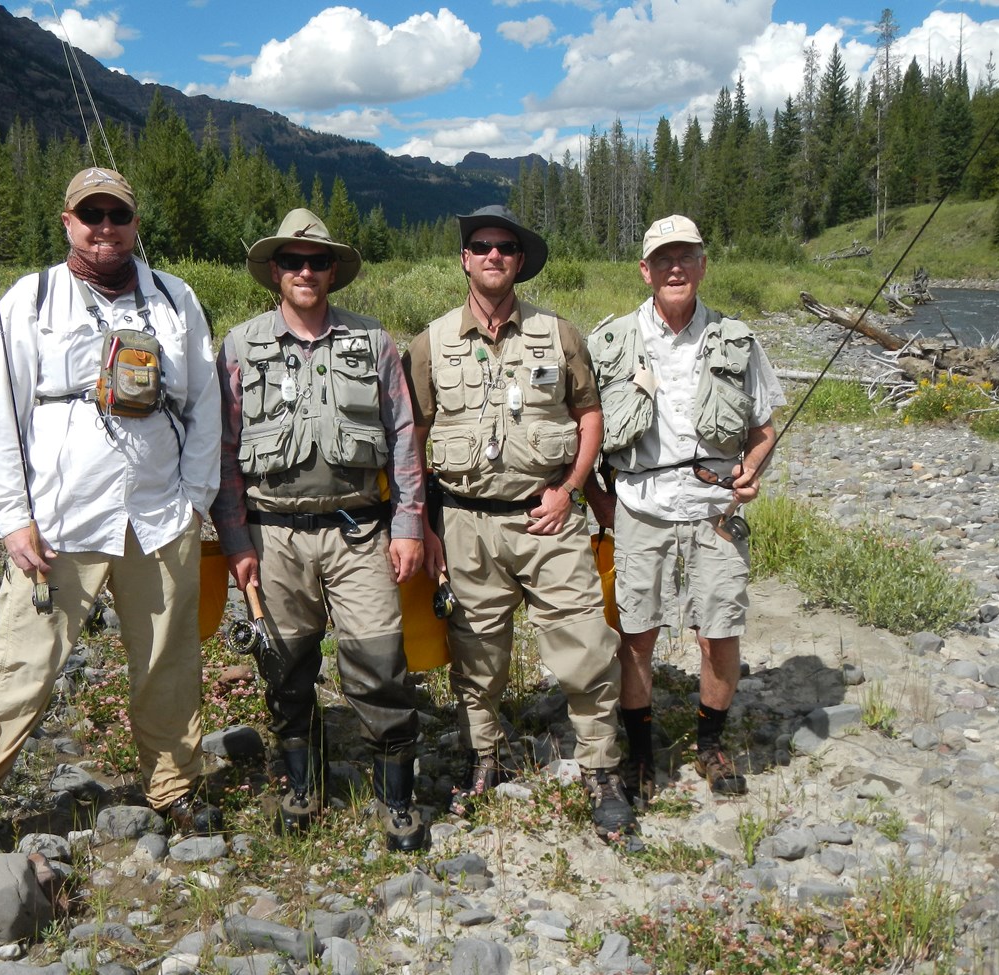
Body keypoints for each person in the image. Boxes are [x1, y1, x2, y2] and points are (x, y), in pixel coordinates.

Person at [0, 167, 224, 876]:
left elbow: (205, 403)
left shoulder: (176, 301)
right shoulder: (29, 301)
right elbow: (2, 415)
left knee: (168, 663)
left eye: (117, 214)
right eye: (90, 215)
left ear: (134, 222)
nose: (104, 227)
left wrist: (195, 499)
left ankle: (173, 786)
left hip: (157, 516)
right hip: (59, 524)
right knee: (21, 665)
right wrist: (12, 517)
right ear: (67, 221)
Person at [403, 205, 636, 841]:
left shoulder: (559, 335)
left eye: (506, 247)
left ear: (520, 260)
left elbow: (589, 417)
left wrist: (568, 490)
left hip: (549, 520)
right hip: (466, 525)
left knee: (587, 644)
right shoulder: (429, 344)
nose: (493, 256)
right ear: (464, 259)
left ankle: (602, 769)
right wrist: (423, 523)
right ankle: (483, 756)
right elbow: (414, 438)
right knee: (477, 655)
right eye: (481, 246)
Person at [210, 208, 427, 852]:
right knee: (285, 665)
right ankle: (302, 782)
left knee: (380, 662)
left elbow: (406, 441)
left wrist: (409, 524)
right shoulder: (240, 346)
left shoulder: (374, 342)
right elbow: (223, 450)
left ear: (333, 270)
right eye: (293, 261)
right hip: (272, 535)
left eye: (318, 261)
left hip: (360, 530)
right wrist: (235, 537)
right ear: (275, 271)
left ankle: (398, 798)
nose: (306, 271)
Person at [586, 214, 785, 799]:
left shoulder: (737, 339)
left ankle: (710, 746)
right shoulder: (611, 341)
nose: (676, 267)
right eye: (663, 258)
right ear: (645, 270)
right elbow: (589, 431)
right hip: (639, 506)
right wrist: (599, 499)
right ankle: (641, 756)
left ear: (702, 264)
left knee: (719, 632)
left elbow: (764, 427)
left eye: (687, 256)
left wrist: (751, 470)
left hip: (714, 509)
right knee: (636, 632)